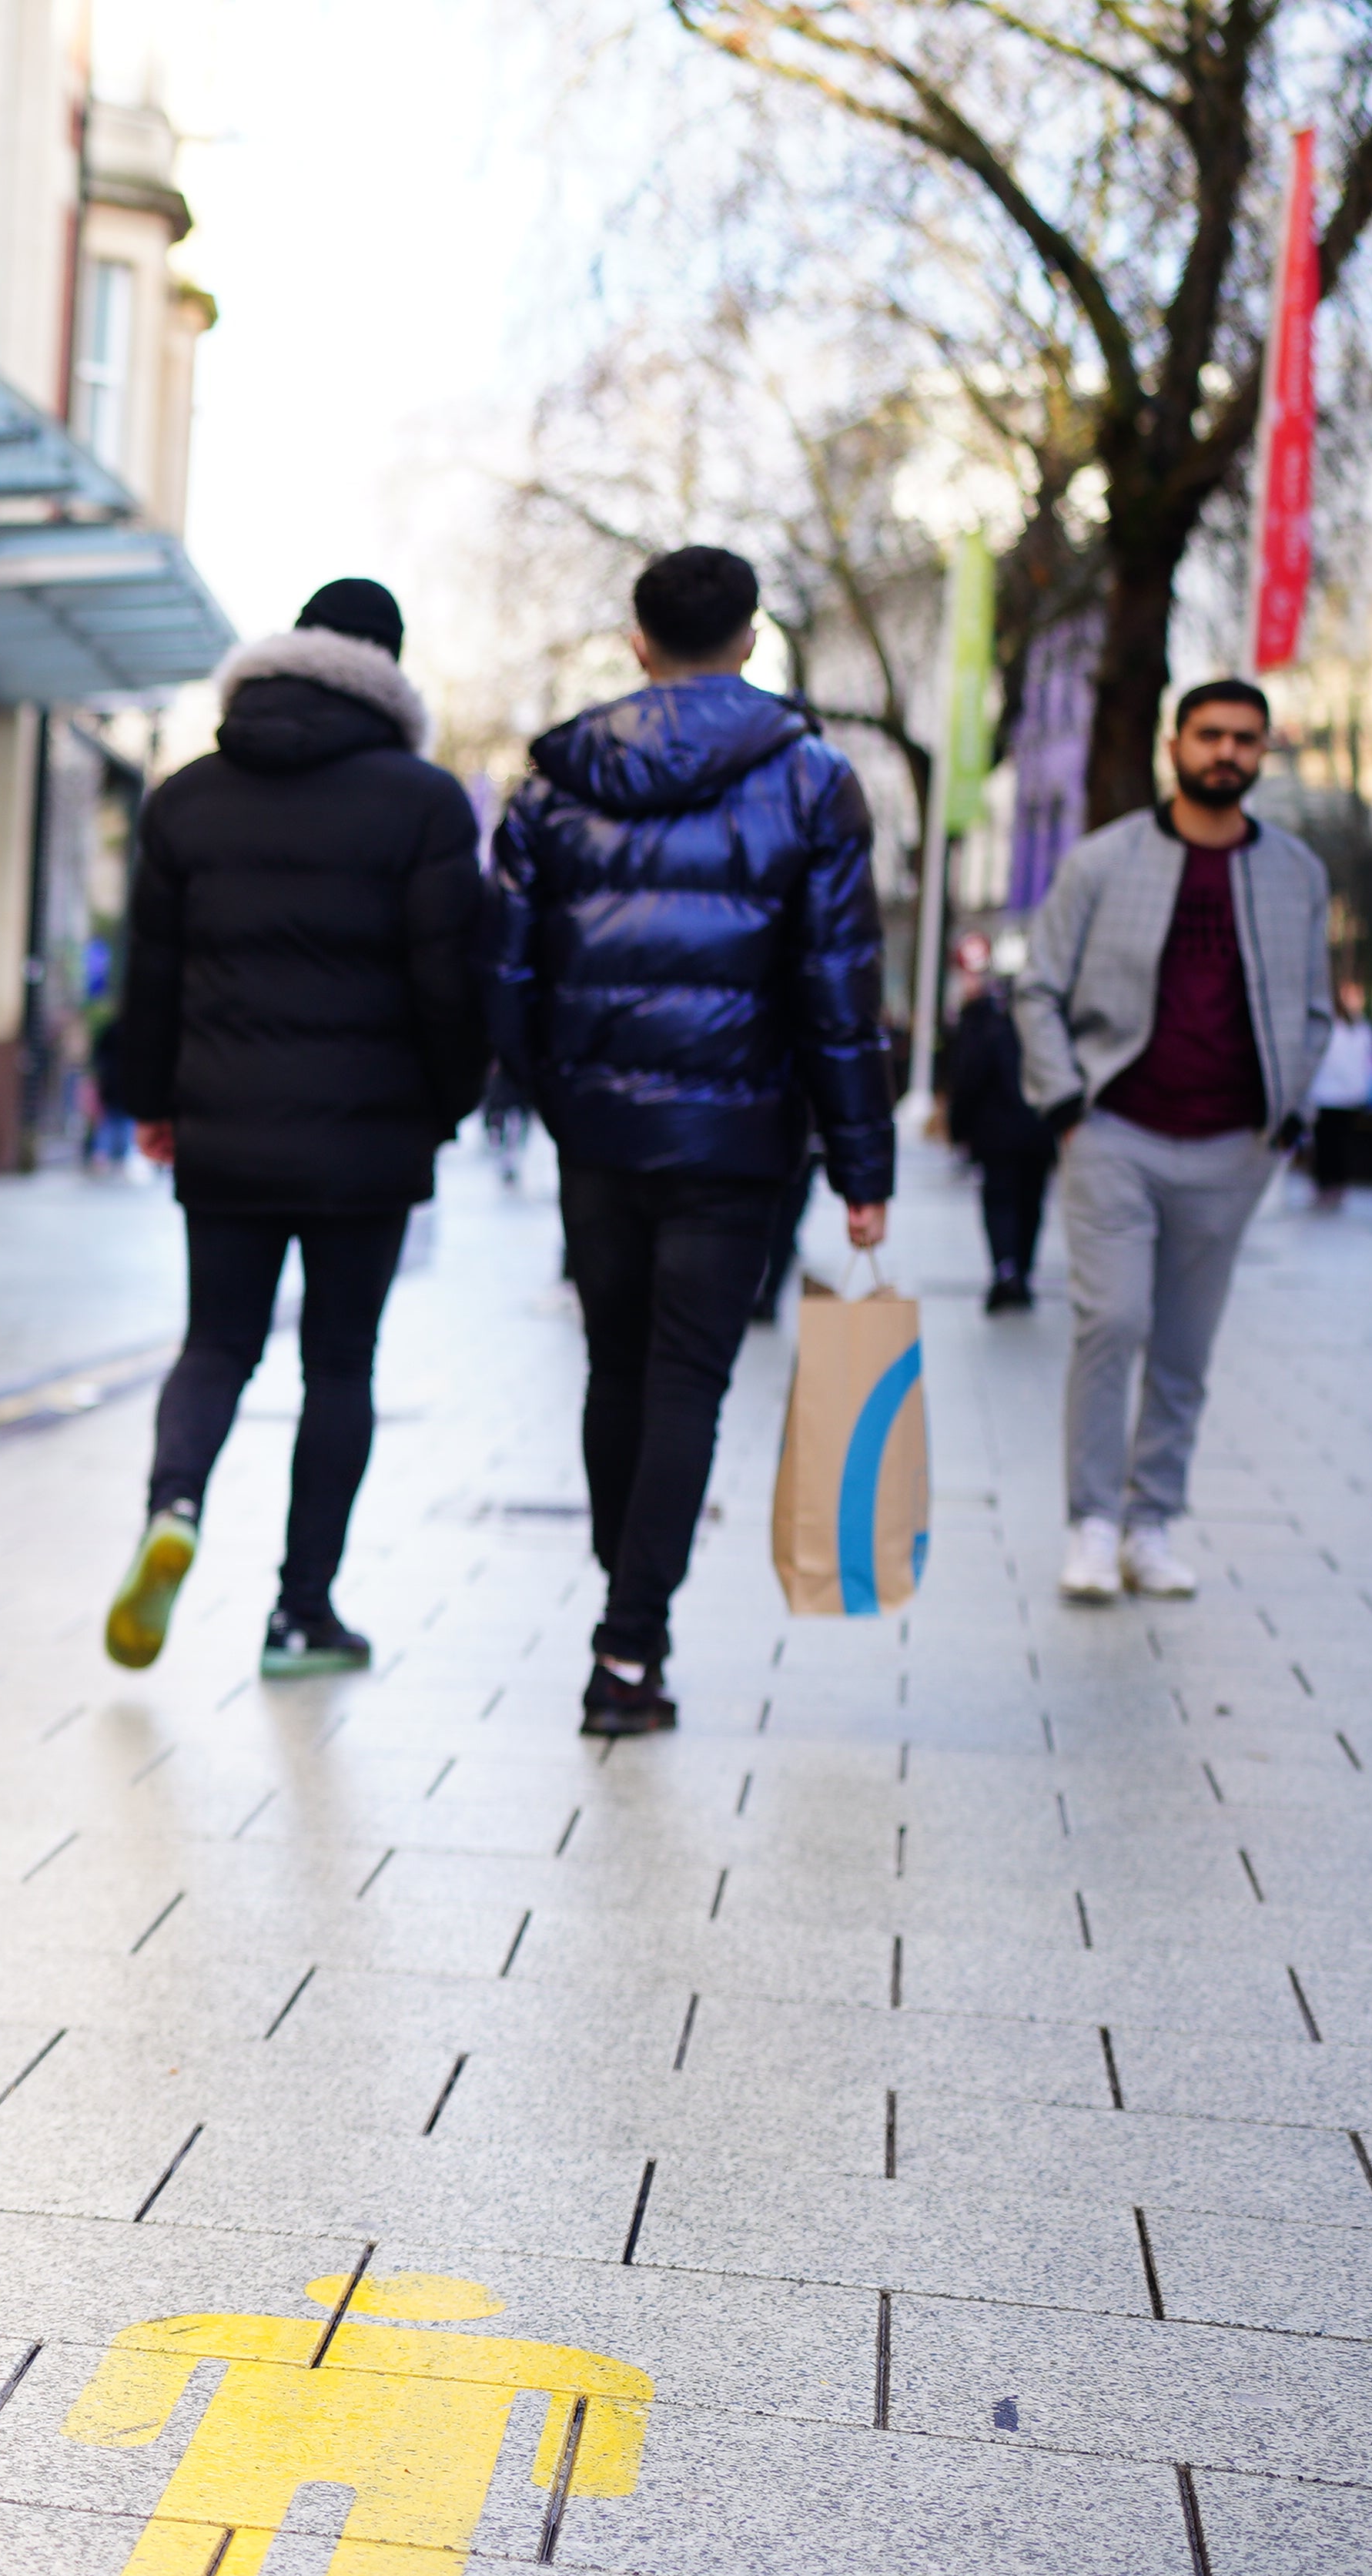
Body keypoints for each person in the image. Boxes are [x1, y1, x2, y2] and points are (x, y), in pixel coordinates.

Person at [487, 545, 892, 1738]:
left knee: (615, 1366)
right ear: (753, 641)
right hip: (736, 1135)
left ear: (637, 641)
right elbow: (841, 992)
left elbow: (507, 973)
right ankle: (629, 1645)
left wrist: (553, 1093)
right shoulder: (814, 782)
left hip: (599, 1131)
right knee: (686, 1382)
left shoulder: (556, 784)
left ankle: (629, 1595)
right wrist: (862, 1170)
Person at [99, 580, 484, 1680]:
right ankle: (302, 1611)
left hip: (223, 1127)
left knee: (215, 1342)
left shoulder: (186, 799)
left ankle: (173, 1505)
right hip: (368, 1142)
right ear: (390, 670)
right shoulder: (425, 803)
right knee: (339, 1366)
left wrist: (152, 1103)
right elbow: (451, 986)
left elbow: (153, 977)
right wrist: (445, 1106)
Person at [1011, 677, 1332, 1605]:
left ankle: (1151, 1523)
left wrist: (1286, 1121)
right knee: (1113, 1322)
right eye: (1210, 736)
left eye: (1245, 739)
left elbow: (1313, 1011)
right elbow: (1038, 989)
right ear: (1174, 744)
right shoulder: (1103, 862)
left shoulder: (1298, 875)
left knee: (1186, 1346)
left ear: (1263, 752)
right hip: (1115, 1129)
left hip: (1235, 1144)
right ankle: (1091, 1524)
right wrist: (1067, 1106)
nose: (1226, 753)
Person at [932, 930, 1053, 1312]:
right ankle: (1019, 1270)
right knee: (1029, 1202)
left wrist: (959, 1127)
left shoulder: (983, 1021)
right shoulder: (1041, 1023)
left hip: (1002, 1133)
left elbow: (968, 1076)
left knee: (1002, 1201)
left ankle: (1007, 1270)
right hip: (1035, 1129)